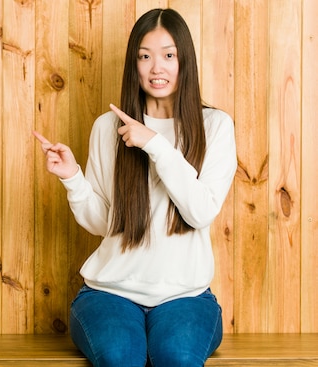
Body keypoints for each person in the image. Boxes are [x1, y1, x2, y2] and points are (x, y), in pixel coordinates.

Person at [33, 8, 237, 367]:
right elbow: (102, 224)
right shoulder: (106, 128)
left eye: (168, 55)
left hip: (185, 297)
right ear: (134, 64)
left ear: (184, 60)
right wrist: (72, 178)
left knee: (177, 357)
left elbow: (201, 211)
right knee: (119, 357)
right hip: (108, 293)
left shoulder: (215, 126)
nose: (156, 67)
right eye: (145, 56)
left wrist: (155, 144)